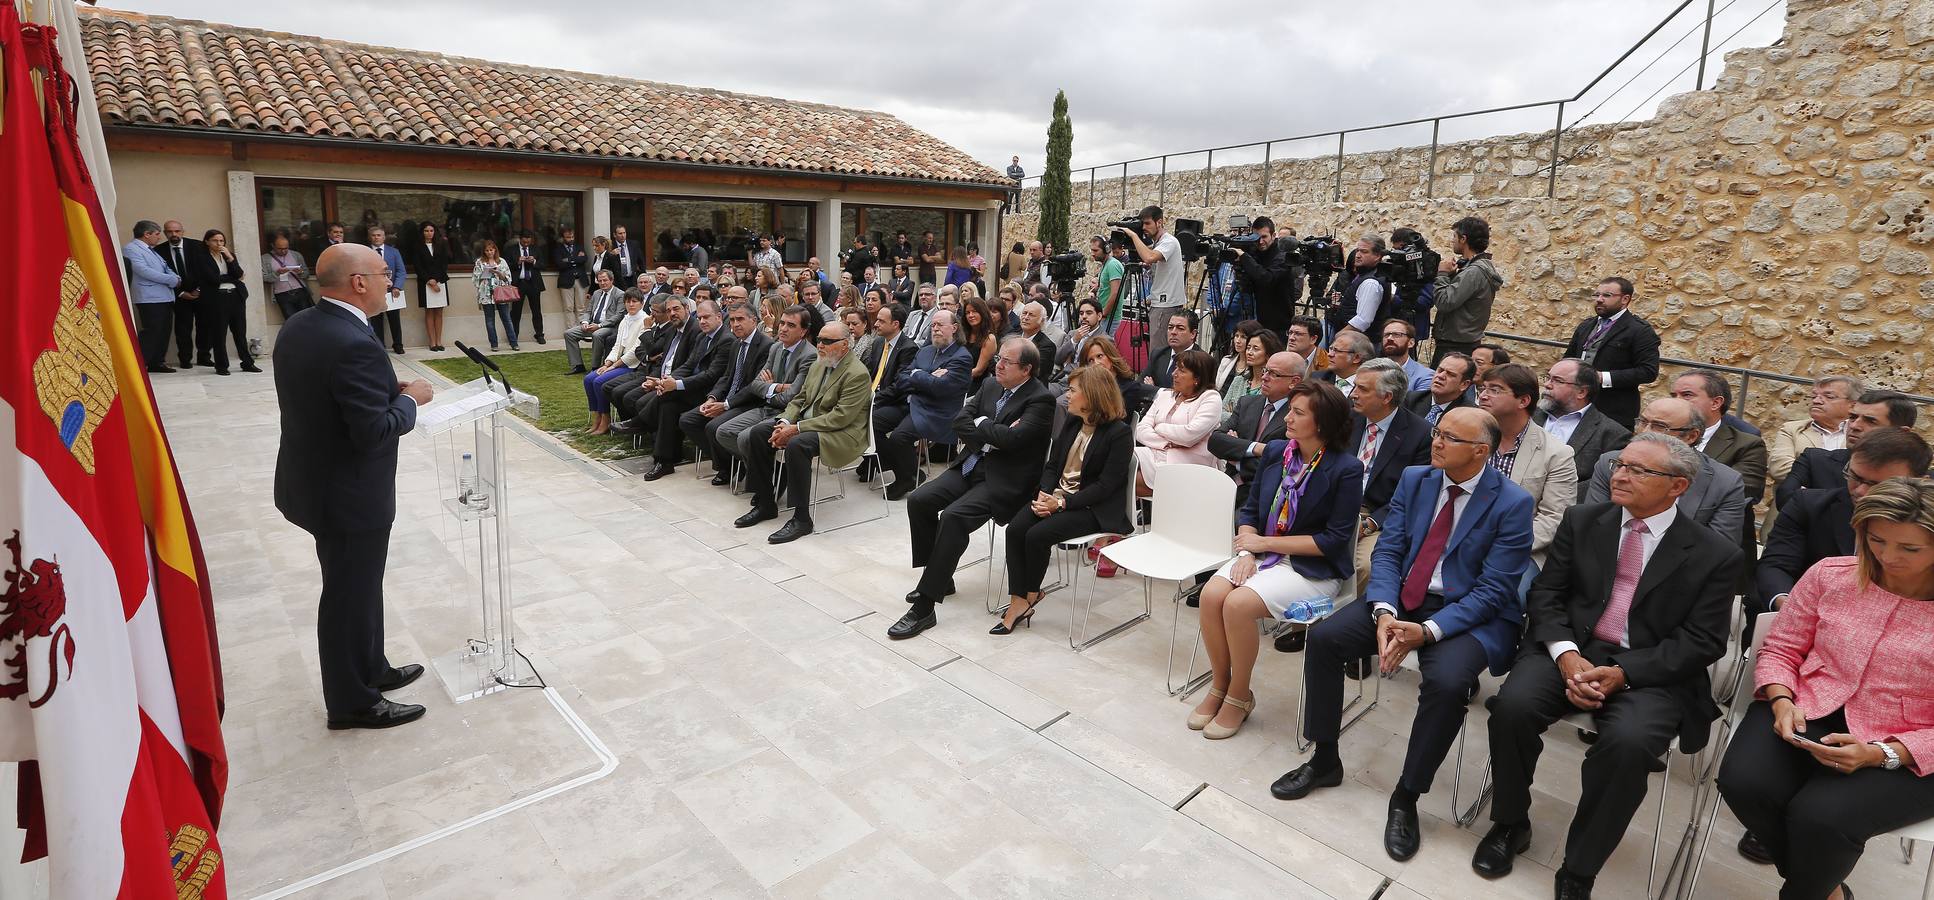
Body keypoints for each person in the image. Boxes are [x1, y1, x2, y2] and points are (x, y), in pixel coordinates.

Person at [1474, 433, 1742, 897]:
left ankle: (1580, 867)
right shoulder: (1584, 520)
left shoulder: (1715, 554)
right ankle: (1510, 821)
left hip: (1651, 671)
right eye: (1621, 464)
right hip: (1570, 649)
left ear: (1677, 486)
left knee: (1629, 744)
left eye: (1639, 470)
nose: (1620, 474)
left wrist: (1625, 673)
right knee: (1512, 707)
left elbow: (1703, 641)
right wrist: (1566, 655)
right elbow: (1548, 595)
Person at [1275, 408, 1534, 861]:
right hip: (1401, 599)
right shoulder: (1418, 479)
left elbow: (1495, 590)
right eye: (1438, 432)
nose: (1436, 442)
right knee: (1325, 638)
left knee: (1449, 683)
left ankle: (1407, 796)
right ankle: (1325, 759)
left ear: (1481, 451)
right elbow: (1391, 548)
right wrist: (1384, 612)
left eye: (1450, 438)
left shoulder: (1512, 502)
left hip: (1465, 612)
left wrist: (1428, 631)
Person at [1718, 476, 1934, 900]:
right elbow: (1781, 647)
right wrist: (1780, 699)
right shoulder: (1831, 576)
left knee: (1821, 818)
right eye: (1876, 540)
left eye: (1910, 548)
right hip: (1809, 704)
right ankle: (1827, 889)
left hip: (1915, 743)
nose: (1888, 557)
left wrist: (1883, 753)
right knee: (1744, 782)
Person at [272, 243, 435, 730]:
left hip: (314, 482)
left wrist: (387, 393)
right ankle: (351, 702)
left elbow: (329, 398)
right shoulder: (353, 342)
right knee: (347, 595)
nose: (392, 281)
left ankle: (372, 669)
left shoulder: (303, 324)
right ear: (359, 282)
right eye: (385, 273)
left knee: (360, 588)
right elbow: (372, 432)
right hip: (348, 494)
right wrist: (412, 402)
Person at [1191, 381, 1364, 739]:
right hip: (1261, 553)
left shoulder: (1345, 469)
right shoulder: (1277, 452)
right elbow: (1251, 508)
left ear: (1323, 423)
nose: (1288, 417)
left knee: (1237, 605)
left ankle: (1239, 696)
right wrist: (1245, 551)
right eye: (1291, 409)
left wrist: (1262, 543)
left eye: (1298, 413)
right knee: (1211, 595)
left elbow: (1333, 541)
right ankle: (1220, 686)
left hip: (1311, 569)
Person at [889, 338, 1055, 639]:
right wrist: (990, 430)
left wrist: (984, 428)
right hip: (972, 465)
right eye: (998, 359)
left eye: (1007, 361)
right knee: (920, 500)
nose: (998, 365)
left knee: (953, 517)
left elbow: (1013, 442)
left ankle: (925, 607)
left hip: (1005, 479)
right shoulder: (992, 385)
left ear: (1027, 369)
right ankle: (938, 577)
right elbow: (960, 420)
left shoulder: (1040, 400)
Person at [1755, 427, 1932, 617]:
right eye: (1854, 476)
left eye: (1877, 484)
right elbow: (1776, 565)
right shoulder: (1809, 505)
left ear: (1917, 481)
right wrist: (1793, 609)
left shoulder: (1927, 525)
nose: (1861, 491)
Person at [739, 321, 874, 543]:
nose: (820, 345)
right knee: (759, 432)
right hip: (807, 422)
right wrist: (784, 420)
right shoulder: (819, 363)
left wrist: (796, 428)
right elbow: (799, 398)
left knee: (798, 444)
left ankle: (801, 519)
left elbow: (841, 417)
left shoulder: (857, 373)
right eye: (819, 339)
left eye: (827, 341)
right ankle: (765, 503)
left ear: (844, 345)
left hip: (842, 432)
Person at [1585, 397, 1749, 544]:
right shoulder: (1610, 463)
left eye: (1659, 426)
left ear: (1691, 436)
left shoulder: (1725, 482)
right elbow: (1593, 528)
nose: (1645, 431)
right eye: (1642, 422)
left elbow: (1717, 551)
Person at [1473, 364, 1580, 588]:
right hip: (1458, 538)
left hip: (1519, 550)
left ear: (1523, 401)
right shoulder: (1468, 437)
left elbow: (1553, 518)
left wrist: (1501, 545)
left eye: (1494, 390)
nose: (1483, 396)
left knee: (1505, 595)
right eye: (1482, 389)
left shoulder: (1557, 454)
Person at [709, 306, 817, 483]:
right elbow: (755, 385)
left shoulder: (809, 355)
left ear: (803, 331)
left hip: (788, 414)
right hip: (767, 406)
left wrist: (769, 388)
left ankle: (763, 481)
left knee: (746, 438)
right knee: (723, 432)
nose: (783, 328)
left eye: (790, 325)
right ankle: (774, 471)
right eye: (781, 323)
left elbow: (791, 398)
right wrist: (778, 387)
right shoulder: (775, 348)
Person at [682, 292, 778, 486]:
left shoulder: (766, 346)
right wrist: (712, 398)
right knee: (688, 420)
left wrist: (725, 405)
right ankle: (731, 460)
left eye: (740, 319)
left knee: (713, 426)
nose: (735, 324)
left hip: (750, 402)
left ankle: (728, 467)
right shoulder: (737, 343)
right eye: (732, 320)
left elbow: (755, 386)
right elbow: (726, 377)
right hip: (728, 398)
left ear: (754, 320)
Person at [876, 310, 973, 500]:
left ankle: (905, 478)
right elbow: (902, 377)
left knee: (899, 437)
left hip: (936, 411)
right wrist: (925, 376)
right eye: (933, 325)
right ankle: (909, 470)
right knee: (873, 421)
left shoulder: (962, 357)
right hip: (912, 403)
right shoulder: (926, 350)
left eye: (940, 325)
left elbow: (940, 388)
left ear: (954, 328)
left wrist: (917, 375)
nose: (935, 329)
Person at [638, 301, 731, 479]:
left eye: (706, 317)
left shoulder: (726, 340)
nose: (702, 321)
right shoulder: (703, 337)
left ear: (719, 317)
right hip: (694, 389)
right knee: (668, 404)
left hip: (711, 393)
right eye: (700, 317)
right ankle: (664, 462)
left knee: (669, 398)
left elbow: (711, 376)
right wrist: (668, 380)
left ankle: (641, 421)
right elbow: (688, 366)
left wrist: (676, 385)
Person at [1778, 391, 1921, 506]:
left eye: (1871, 421)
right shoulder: (1814, 461)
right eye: (1853, 417)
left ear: (1902, 432)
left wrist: (1811, 498)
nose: (1854, 426)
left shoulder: (1920, 477)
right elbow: (1786, 500)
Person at [1561, 277, 1659, 430]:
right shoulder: (1586, 325)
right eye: (1597, 295)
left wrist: (1602, 377)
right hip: (1574, 405)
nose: (1599, 300)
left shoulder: (1640, 330)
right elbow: (1568, 358)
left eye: (1606, 295)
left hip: (1612, 411)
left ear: (1625, 299)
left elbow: (1648, 371)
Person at [1209, 352, 1306, 506]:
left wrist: (1237, 456)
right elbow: (1215, 440)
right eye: (1265, 371)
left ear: (1294, 381)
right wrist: (1257, 448)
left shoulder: (1298, 415)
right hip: (1227, 486)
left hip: (1267, 497)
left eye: (1273, 374)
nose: (1264, 377)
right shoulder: (1247, 403)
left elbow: (1282, 465)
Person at [1133, 349, 1223, 496]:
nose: (1174, 374)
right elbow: (1141, 429)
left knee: (1122, 479)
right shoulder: (1165, 395)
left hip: (1186, 466)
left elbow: (1188, 436)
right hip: (1154, 453)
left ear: (1197, 378)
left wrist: (1159, 427)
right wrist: (1167, 443)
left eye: (1181, 370)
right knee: (1115, 461)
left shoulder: (1211, 398)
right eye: (1175, 368)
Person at [1673, 370, 1770, 506]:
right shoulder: (1659, 433)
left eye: (1687, 395)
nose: (1676, 401)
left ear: (1716, 403)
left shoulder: (1747, 444)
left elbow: (1737, 491)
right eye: (1673, 395)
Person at [1429, 217, 1501, 365]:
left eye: (1454, 236)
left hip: (1455, 346)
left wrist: (1442, 274)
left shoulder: (1473, 272)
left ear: (1463, 239)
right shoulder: (1474, 268)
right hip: (1461, 342)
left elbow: (1445, 302)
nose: (1452, 241)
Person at [1768, 375, 1861, 490]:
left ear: (1853, 405)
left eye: (1829, 396)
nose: (1816, 401)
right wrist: (1840, 479)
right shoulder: (1791, 430)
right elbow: (1779, 469)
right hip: (1796, 503)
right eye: (1814, 396)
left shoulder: (1862, 432)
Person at [580, 291, 649, 435]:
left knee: (599, 382)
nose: (631, 304)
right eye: (628, 301)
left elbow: (636, 350)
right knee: (588, 379)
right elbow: (618, 345)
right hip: (617, 362)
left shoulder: (645, 320)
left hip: (632, 365)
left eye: (634, 301)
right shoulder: (625, 320)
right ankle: (597, 417)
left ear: (641, 303)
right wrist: (607, 363)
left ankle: (606, 419)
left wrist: (613, 366)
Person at [193, 229, 259, 374]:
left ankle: (247, 363)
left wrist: (230, 257)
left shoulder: (229, 256)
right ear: (207, 242)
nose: (219, 243)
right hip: (217, 298)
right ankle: (222, 365)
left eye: (221, 241)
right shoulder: (201, 257)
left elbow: (239, 273)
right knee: (219, 332)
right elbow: (213, 279)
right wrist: (233, 278)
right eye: (215, 240)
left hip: (236, 296)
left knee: (240, 332)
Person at [1111, 205, 1185, 327]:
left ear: (1159, 222)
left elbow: (1149, 257)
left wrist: (1133, 235)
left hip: (1165, 306)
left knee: (1158, 347)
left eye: (1147, 223)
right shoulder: (1159, 243)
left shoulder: (1169, 241)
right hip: (1159, 303)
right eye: (1142, 224)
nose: (1144, 227)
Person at [125, 220, 181, 373]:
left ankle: (157, 361)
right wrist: (171, 280)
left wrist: (175, 277)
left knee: (164, 331)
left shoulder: (151, 250)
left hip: (164, 296)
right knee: (152, 331)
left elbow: (165, 267)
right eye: (157, 234)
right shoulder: (132, 249)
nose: (159, 238)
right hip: (149, 298)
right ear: (147, 234)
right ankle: (141, 363)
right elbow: (143, 271)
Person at [1230, 216, 1301, 333]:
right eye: (1256, 238)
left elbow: (1266, 278)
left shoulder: (1283, 255)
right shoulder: (1254, 251)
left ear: (1273, 236)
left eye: (1264, 237)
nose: (1260, 242)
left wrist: (1244, 257)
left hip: (1279, 323)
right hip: (1258, 319)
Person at [157, 220, 208, 369]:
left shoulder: (198, 246)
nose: (174, 234)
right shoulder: (159, 251)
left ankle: (204, 356)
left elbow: (206, 270)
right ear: (165, 233)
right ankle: (185, 359)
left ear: (182, 231)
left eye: (177, 231)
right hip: (179, 296)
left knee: (204, 326)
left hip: (200, 293)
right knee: (182, 329)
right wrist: (180, 293)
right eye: (170, 232)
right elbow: (161, 276)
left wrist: (198, 290)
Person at [1324, 236, 1390, 340]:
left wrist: (1339, 337)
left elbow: (1363, 320)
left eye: (1364, 252)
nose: (1358, 255)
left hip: (1359, 343)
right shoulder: (1364, 275)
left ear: (1377, 256)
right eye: (1358, 251)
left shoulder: (1371, 282)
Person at [563, 270, 625, 374]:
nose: (602, 283)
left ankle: (595, 367)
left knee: (597, 334)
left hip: (609, 327)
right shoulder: (596, 293)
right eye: (600, 281)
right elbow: (588, 311)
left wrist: (599, 325)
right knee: (569, 334)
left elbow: (618, 316)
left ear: (611, 280)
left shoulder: (620, 294)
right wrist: (585, 322)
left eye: (605, 280)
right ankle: (578, 365)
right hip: (592, 325)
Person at [358, 226, 407, 355]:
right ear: (370, 237)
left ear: (384, 237)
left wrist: (397, 286)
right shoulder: (365, 252)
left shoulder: (394, 252)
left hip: (392, 292)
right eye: (373, 235)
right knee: (376, 320)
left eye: (379, 235)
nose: (376, 237)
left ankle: (398, 345)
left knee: (394, 319)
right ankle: (379, 345)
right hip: (373, 291)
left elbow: (401, 271)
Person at [1084, 334, 1156, 418]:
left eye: (1100, 356)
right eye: (1091, 360)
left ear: (1111, 357)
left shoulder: (1129, 388)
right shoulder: (1088, 388)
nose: (1096, 363)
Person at [1221, 327, 1281, 415]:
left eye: (1255, 349)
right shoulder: (1238, 380)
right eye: (1248, 348)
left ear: (1268, 354)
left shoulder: (1270, 385)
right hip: (1228, 429)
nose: (1249, 352)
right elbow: (1221, 413)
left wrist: (1235, 415)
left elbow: (1259, 418)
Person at [1404, 352, 1476, 425]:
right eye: (1440, 370)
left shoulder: (1470, 415)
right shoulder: (1410, 399)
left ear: (1464, 384)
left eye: (1450, 374)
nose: (1440, 376)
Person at [411, 223, 451, 351]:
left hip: (440, 281)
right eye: (426, 230)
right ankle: (432, 342)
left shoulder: (441, 245)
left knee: (439, 312)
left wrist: (436, 280)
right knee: (429, 312)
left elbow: (444, 264)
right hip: (426, 283)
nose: (429, 233)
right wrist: (429, 280)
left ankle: (439, 341)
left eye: (431, 230)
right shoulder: (417, 247)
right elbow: (418, 266)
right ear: (422, 232)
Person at [472, 240, 518, 351]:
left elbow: (508, 278)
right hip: (486, 293)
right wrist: (485, 274)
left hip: (500, 293)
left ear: (495, 250)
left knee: (506, 318)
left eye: (491, 250)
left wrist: (498, 272)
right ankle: (494, 344)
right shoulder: (479, 262)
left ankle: (514, 343)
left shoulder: (502, 261)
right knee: (489, 320)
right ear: (484, 251)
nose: (489, 252)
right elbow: (475, 279)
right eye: (487, 250)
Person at [261, 230, 313, 325]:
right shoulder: (265, 259)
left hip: (300, 291)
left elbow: (306, 273)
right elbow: (265, 278)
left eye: (286, 248)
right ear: (273, 245)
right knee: (291, 322)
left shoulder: (296, 255)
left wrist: (300, 272)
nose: (284, 251)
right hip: (282, 294)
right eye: (280, 249)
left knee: (307, 319)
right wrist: (277, 273)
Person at [1141, 310, 1199, 390]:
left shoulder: (1202, 361)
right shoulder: (1158, 354)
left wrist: (1156, 391)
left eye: (1180, 329)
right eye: (1170, 328)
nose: (1173, 332)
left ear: (1193, 334)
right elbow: (1140, 386)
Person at [509, 231, 547, 345]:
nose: (526, 243)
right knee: (515, 312)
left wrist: (534, 261)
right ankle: (513, 336)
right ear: (520, 239)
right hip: (518, 284)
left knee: (536, 311)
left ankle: (539, 335)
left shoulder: (536, 249)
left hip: (533, 283)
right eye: (524, 241)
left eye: (528, 241)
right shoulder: (512, 249)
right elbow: (507, 266)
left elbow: (543, 264)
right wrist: (518, 262)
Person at [1379, 319, 1434, 392]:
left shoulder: (1424, 376)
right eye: (1386, 335)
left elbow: (1418, 402)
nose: (1389, 338)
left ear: (1411, 343)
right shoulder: (1372, 370)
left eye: (1397, 334)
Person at [1090, 234, 1127, 334]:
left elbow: (1115, 293)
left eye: (1096, 250)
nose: (1093, 254)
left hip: (1110, 317)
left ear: (1106, 249)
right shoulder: (1106, 264)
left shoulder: (1112, 265)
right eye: (1092, 250)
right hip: (1105, 316)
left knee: (1105, 347)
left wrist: (1104, 314)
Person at [961, 296, 1000, 389]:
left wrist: (956, 377)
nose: (971, 315)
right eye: (967, 312)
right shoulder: (962, 334)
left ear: (983, 313)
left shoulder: (989, 338)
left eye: (974, 311)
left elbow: (979, 370)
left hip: (975, 385)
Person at [553, 228, 590, 321]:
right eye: (568, 237)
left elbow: (585, 259)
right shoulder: (558, 249)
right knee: (568, 308)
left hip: (580, 279)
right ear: (563, 238)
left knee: (581, 307)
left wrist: (568, 260)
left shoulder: (579, 246)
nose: (571, 239)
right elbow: (559, 264)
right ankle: (572, 331)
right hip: (566, 281)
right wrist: (576, 258)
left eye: (572, 237)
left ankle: (581, 330)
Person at [1016, 301, 1057, 383]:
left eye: (1031, 315)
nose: (1026, 317)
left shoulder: (1046, 346)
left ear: (1041, 321)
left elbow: (1034, 372)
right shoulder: (1012, 336)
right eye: (1024, 313)